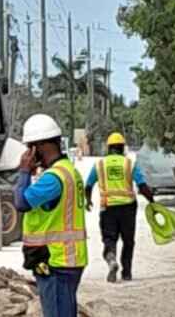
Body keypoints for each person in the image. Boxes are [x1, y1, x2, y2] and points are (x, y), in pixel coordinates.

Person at [14, 114, 87, 317]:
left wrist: (24, 172)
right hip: (67, 259)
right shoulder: (68, 171)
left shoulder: (53, 178)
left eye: (30, 147)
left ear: (40, 146)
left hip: (55, 260)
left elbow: (21, 202)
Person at [85, 132, 154, 282]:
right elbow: (142, 186)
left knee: (109, 239)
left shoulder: (100, 164)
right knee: (128, 241)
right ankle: (127, 273)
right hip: (128, 208)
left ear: (108, 148)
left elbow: (88, 185)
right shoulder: (130, 164)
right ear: (123, 148)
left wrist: (88, 200)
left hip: (108, 208)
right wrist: (152, 201)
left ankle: (111, 260)